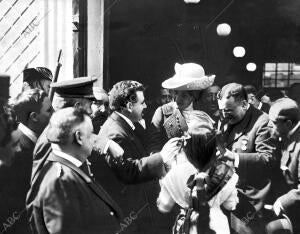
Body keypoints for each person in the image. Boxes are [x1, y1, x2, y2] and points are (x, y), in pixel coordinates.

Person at [98, 80, 181, 234]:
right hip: (130, 215)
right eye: (142, 103)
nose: (145, 106)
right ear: (129, 106)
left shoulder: (124, 124)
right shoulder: (115, 132)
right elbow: (128, 172)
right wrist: (162, 156)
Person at [26, 107, 123, 234]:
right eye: (90, 135)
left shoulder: (68, 171)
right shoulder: (60, 183)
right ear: (78, 137)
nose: (94, 141)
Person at [217, 83, 276, 233]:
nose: (224, 115)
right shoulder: (227, 118)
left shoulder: (263, 122)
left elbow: (267, 158)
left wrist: (234, 157)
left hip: (250, 200)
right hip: (228, 194)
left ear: (244, 104)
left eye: (229, 111)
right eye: (222, 111)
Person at [149, 62, 215, 153]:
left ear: (194, 95)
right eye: (176, 93)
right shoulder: (163, 112)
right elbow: (154, 146)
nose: (178, 99)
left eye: (184, 95)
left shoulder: (205, 112)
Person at [265, 98, 300, 234]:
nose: (269, 125)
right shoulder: (286, 134)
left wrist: (282, 202)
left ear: (289, 123)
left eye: (273, 123)